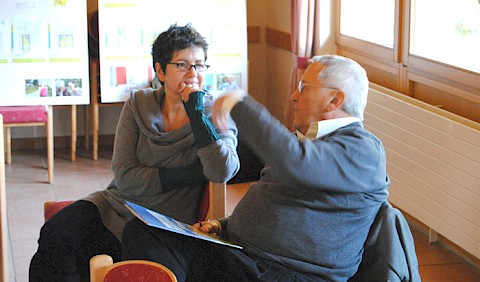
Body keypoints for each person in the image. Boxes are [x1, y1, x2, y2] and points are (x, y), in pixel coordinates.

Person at [121, 55, 390, 281]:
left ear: (334, 100)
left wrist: (238, 102)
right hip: (252, 260)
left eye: (303, 87)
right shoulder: (311, 145)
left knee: (156, 247)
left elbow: (295, 164)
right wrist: (222, 226)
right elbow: (282, 199)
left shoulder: (364, 149)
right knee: (145, 231)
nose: (294, 96)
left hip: (288, 272)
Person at [29, 23, 240, 281]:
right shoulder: (138, 103)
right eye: (182, 64)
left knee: (105, 256)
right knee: (55, 233)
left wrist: (196, 114)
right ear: (160, 71)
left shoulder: (213, 113)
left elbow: (222, 170)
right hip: (116, 203)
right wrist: (192, 174)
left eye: (199, 64)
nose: (192, 73)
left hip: (162, 222)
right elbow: (125, 177)